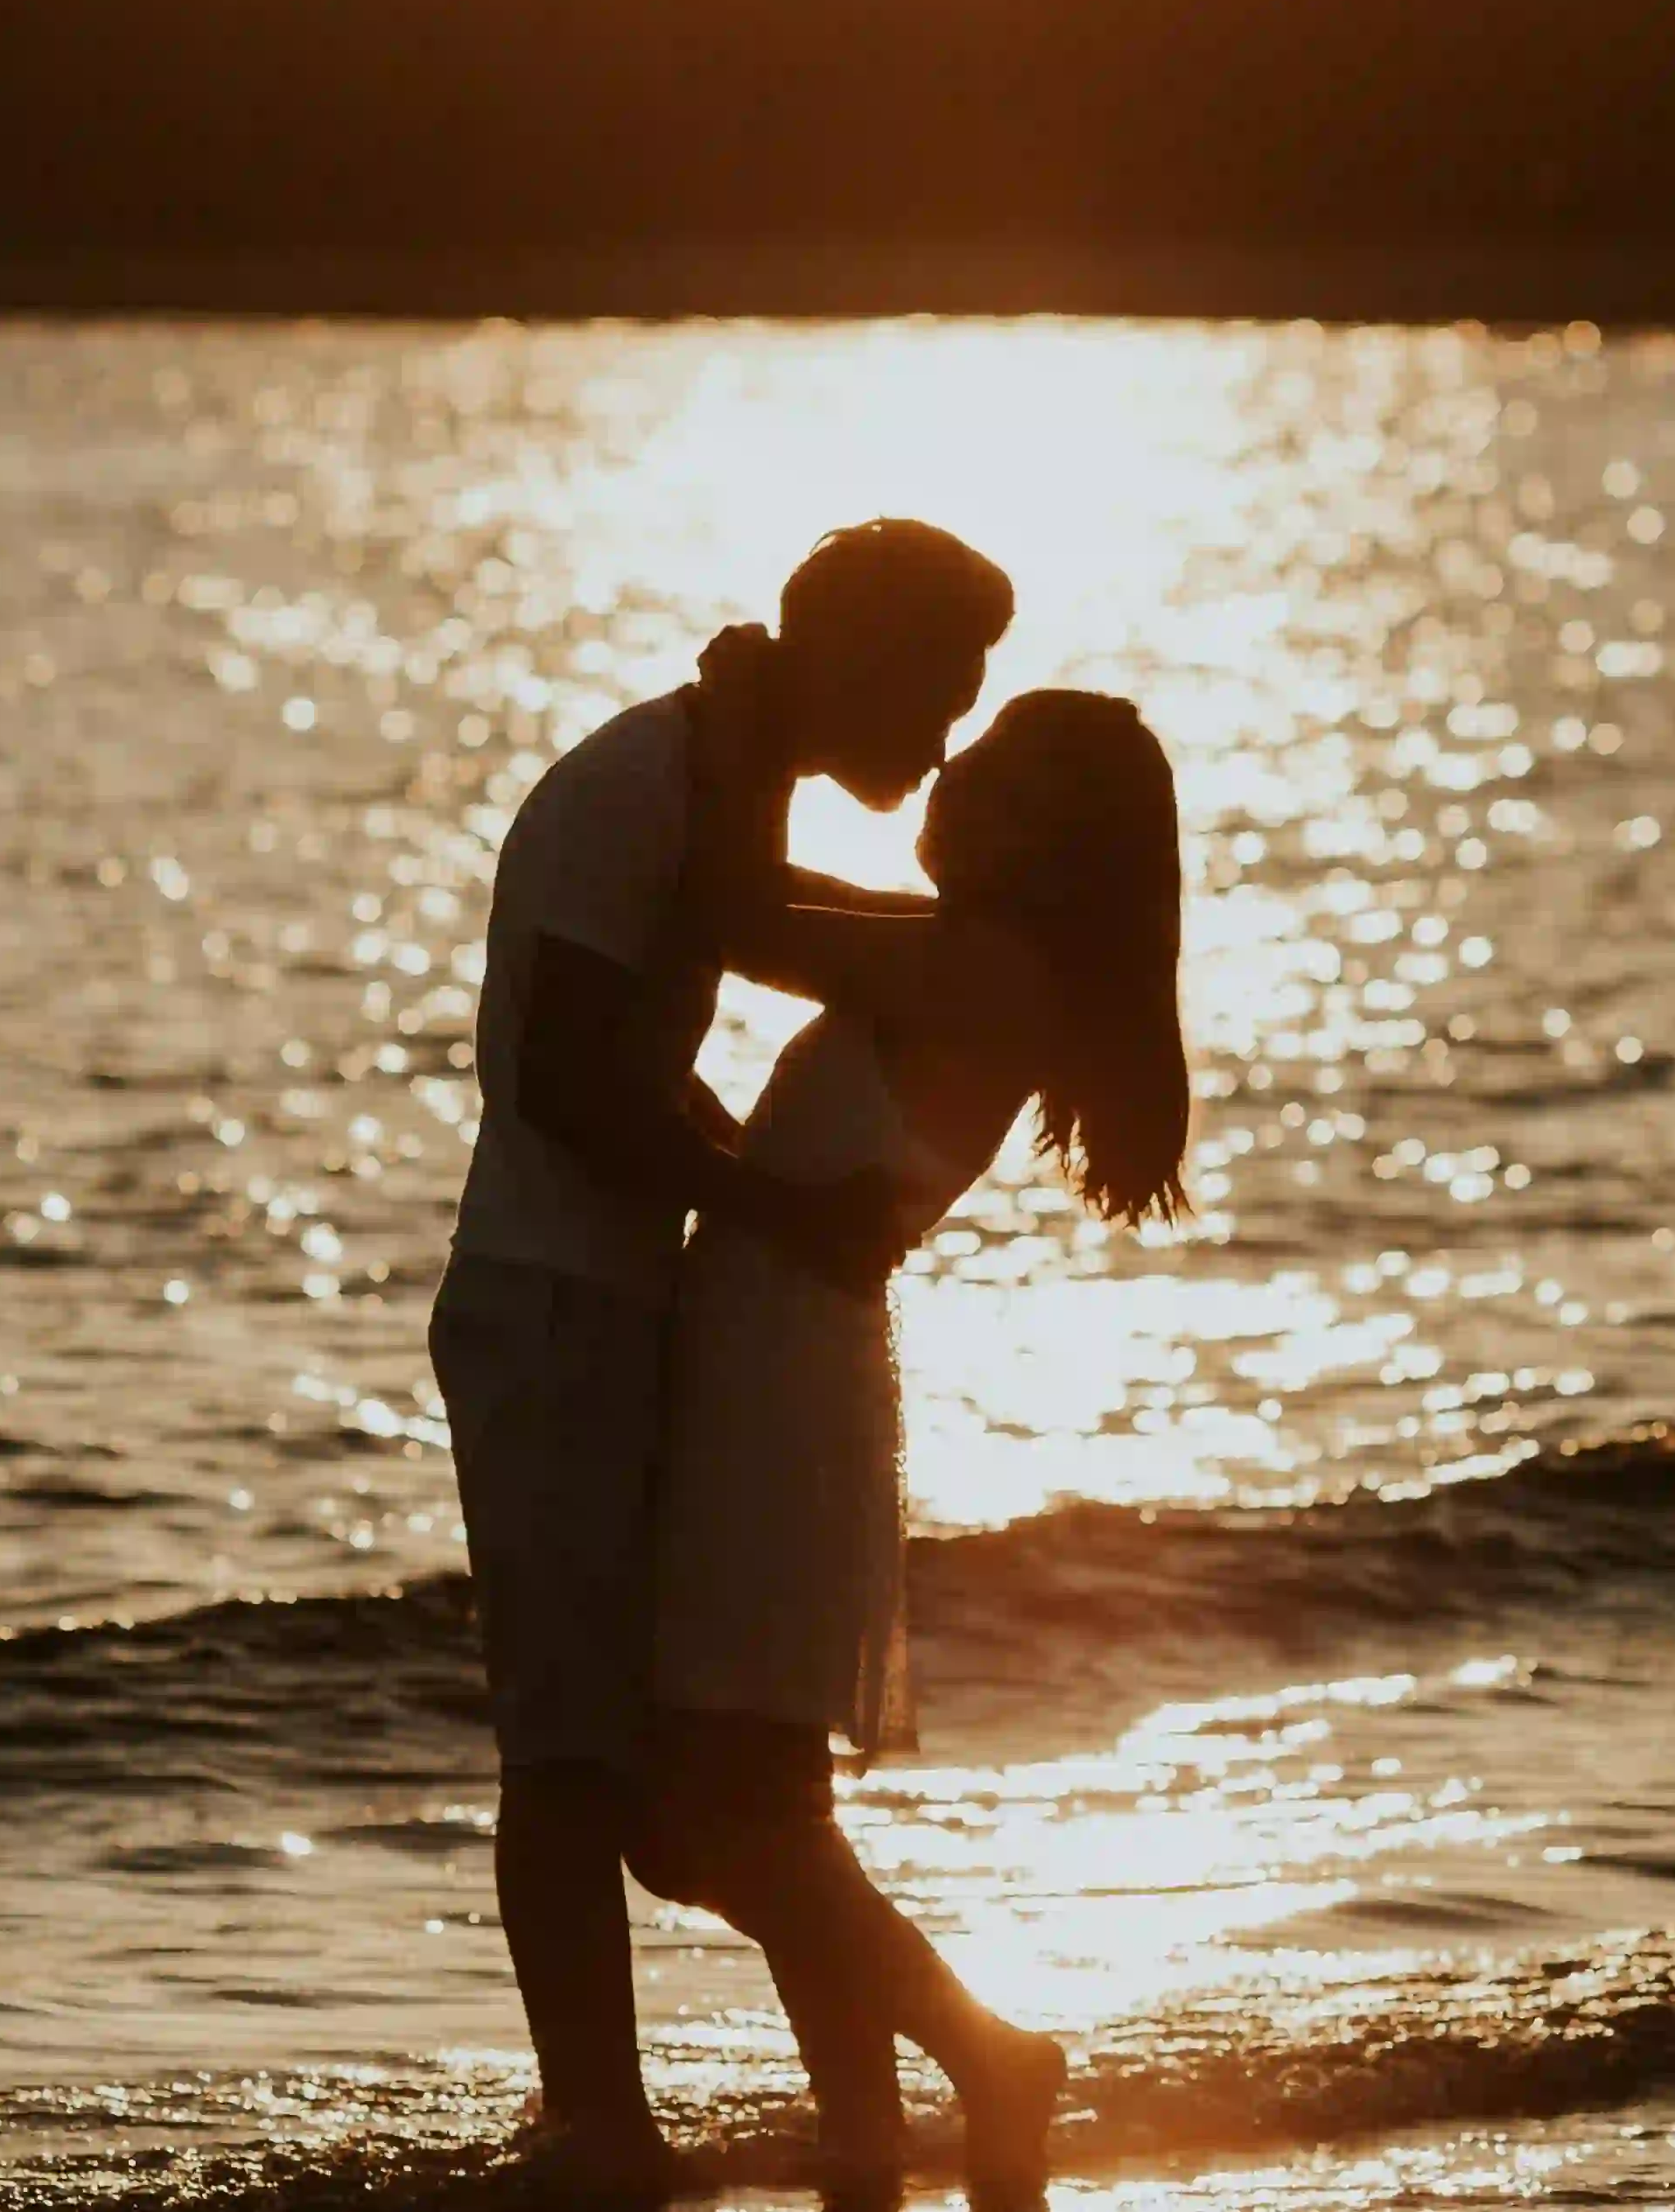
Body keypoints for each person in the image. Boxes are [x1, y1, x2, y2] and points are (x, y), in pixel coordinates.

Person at [426, 521, 1015, 2201]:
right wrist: (764, 1198)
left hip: (611, 1302)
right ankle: (604, 2129)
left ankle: (716, 2125)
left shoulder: (721, 778)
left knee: (638, 1772)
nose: (945, 736)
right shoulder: (645, 784)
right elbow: (560, 1086)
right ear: (853, 657)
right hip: (546, 1305)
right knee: (563, 1761)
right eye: (937, 690)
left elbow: (635, 1066)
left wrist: (738, 1200)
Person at [634, 685, 1195, 2208]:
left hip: (778, 1378)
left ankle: (988, 2053)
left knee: (701, 1824)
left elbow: (737, 912)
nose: (946, 771)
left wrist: (749, 740)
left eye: (991, 774)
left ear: (1047, 841)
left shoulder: (974, 968)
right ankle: (865, 2137)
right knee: (764, 1811)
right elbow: (778, 909)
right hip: (776, 1357)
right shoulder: (967, 953)